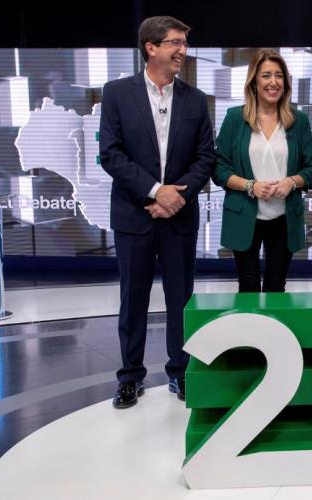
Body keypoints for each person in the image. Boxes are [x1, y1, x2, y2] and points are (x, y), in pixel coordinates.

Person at [99, 16, 215, 409]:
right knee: (133, 299)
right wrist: (154, 191)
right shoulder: (117, 93)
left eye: (184, 43)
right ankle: (130, 377)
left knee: (181, 299)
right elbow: (110, 154)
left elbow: (206, 158)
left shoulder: (196, 100)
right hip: (134, 215)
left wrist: (176, 197)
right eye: (175, 43)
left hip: (179, 216)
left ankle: (180, 372)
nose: (183, 50)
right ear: (151, 47)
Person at [213, 49, 312, 292]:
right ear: (254, 81)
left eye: (279, 76)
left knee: (276, 286)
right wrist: (250, 186)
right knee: (248, 285)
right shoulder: (235, 117)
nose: (273, 82)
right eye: (266, 75)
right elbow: (219, 168)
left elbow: (311, 170)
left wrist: (292, 182)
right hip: (244, 215)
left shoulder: (299, 120)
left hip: (284, 218)